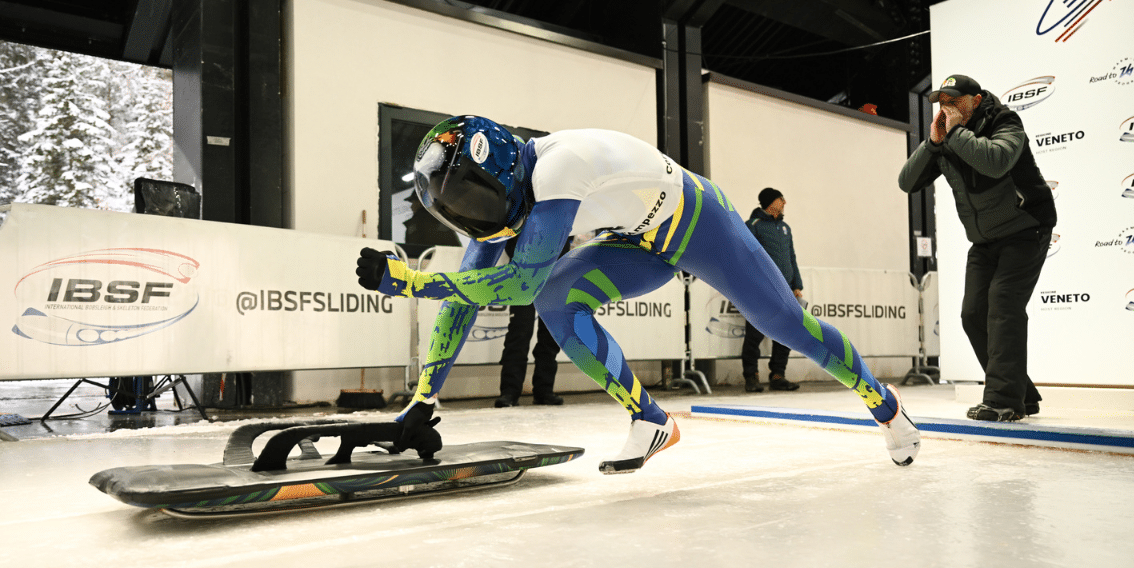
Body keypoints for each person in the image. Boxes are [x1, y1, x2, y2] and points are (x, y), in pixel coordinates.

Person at [356, 116, 919, 472]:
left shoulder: (558, 170)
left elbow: (518, 283)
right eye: (460, 211)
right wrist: (422, 400)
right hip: (633, 241)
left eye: (476, 203)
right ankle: (650, 422)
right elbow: (464, 298)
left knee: (784, 325)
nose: (474, 220)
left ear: (500, 173)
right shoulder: (508, 196)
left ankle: (885, 405)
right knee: (558, 299)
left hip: (697, 220)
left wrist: (410, 281)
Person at [898, 74, 1056, 422]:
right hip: (985, 241)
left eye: (954, 101)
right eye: (942, 102)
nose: (946, 108)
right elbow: (906, 182)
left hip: (1026, 228)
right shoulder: (947, 137)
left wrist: (955, 134)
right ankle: (1022, 394)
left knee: (1003, 304)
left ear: (975, 99)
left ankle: (1003, 400)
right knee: (973, 315)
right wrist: (932, 143)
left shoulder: (1005, 121)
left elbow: (996, 161)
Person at [741, 187, 803, 393]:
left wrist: (797, 285)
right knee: (755, 334)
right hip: (761, 290)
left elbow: (791, 258)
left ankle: (778, 375)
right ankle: (751, 376)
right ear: (769, 202)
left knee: (785, 333)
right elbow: (746, 258)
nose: (784, 202)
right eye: (780, 199)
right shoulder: (753, 226)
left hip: (785, 291)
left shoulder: (786, 228)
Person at [494, 237, 566, 408]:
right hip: (523, 270)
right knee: (519, 330)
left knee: (550, 334)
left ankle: (544, 391)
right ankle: (510, 392)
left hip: (555, 271)